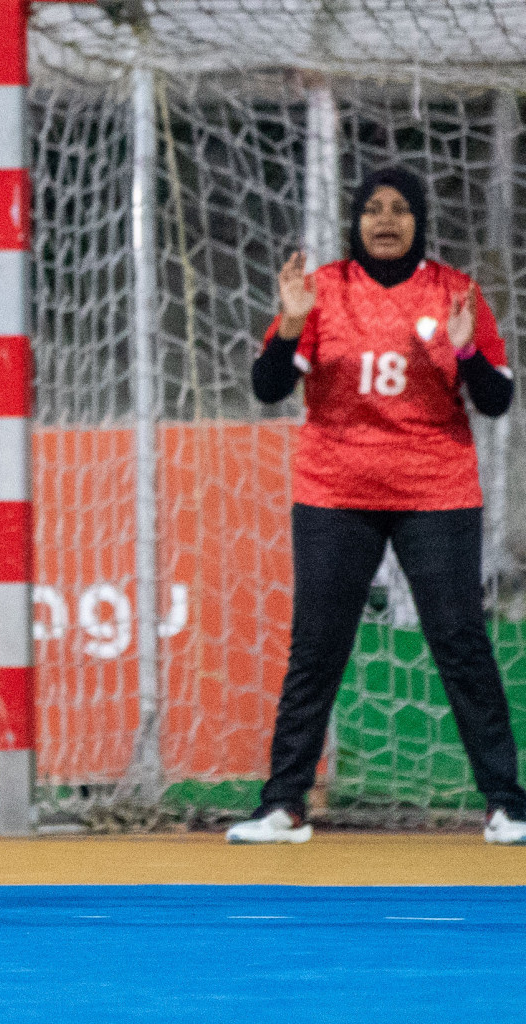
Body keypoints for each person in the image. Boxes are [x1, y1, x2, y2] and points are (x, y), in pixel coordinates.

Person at [228, 166, 526, 845]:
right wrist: (290, 325)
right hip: (336, 492)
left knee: (460, 641)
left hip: (436, 492)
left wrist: (466, 349)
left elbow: (496, 400)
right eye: (373, 208)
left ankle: (507, 803)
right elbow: (269, 386)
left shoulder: (455, 292)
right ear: (356, 221)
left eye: (399, 208)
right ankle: (284, 804)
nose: (386, 219)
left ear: (419, 220)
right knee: (317, 645)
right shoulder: (323, 290)